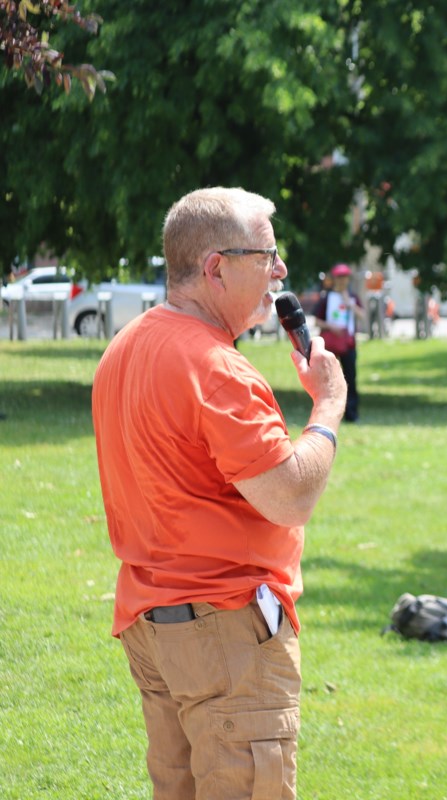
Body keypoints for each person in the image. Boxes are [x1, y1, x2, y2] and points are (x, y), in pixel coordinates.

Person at [93, 187, 347, 798]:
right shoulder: (216, 367)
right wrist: (330, 406)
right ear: (216, 268)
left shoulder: (124, 347)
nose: (280, 270)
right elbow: (290, 497)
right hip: (225, 629)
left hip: (155, 625)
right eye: (267, 254)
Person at [314, 263, 366, 422]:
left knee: (350, 378)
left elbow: (362, 315)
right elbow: (317, 320)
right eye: (339, 278)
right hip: (331, 343)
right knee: (328, 379)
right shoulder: (327, 298)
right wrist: (331, 327)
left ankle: (351, 413)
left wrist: (349, 303)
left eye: (345, 278)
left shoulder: (352, 297)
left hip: (348, 343)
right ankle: (327, 413)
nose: (342, 281)